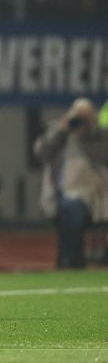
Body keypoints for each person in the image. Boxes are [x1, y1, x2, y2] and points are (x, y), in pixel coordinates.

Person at [35, 98, 108, 268]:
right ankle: (70, 261)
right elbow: (41, 153)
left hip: (95, 195)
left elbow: (102, 156)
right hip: (61, 193)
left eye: (84, 116)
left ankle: (70, 262)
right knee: (70, 206)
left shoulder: (99, 136)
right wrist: (61, 130)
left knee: (72, 207)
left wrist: (88, 132)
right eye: (77, 116)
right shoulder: (61, 133)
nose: (79, 121)